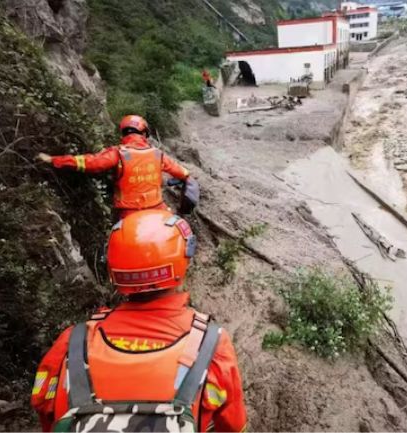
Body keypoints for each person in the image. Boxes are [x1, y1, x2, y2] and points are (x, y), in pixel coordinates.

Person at [30, 209, 247, 433]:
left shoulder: (72, 343)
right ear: (183, 262)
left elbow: (45, 411)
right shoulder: (211, 345)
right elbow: (233, 426)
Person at [36, 115, 199, 218]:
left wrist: (57, 160)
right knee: (177, 230)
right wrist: (187, 178)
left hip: (128, 214)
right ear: (144, 133)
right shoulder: (157, 154)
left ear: (124, 133)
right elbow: (182, 173)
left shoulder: (118, 153)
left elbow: (91, 163)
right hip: (157, 209)